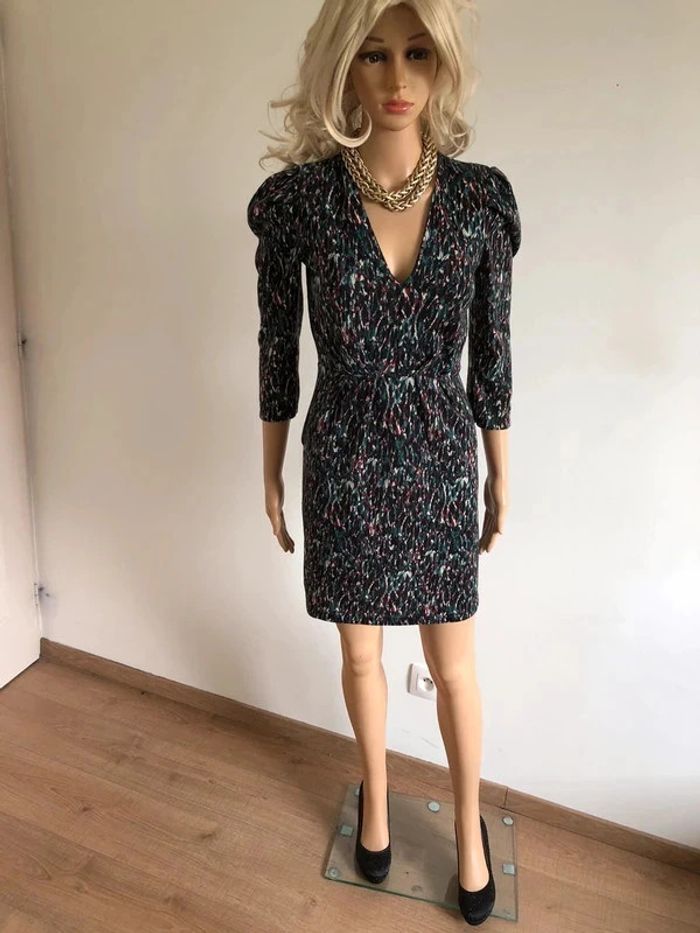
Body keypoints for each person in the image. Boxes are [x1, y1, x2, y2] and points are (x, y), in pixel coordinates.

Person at [246, 0, 521, 925]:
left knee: (455, 665)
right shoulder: (301, 203)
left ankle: (469, 827)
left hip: (442, 458)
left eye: (417, 53)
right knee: (360, 653)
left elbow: (493, 356)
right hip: (344, 455)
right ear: (342, 67)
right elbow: (276, 347)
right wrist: (269, 468)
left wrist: (501, 470)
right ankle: (375, 795)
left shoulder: (480, 201)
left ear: (443, 64)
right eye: (372, 56)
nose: (398, 79)